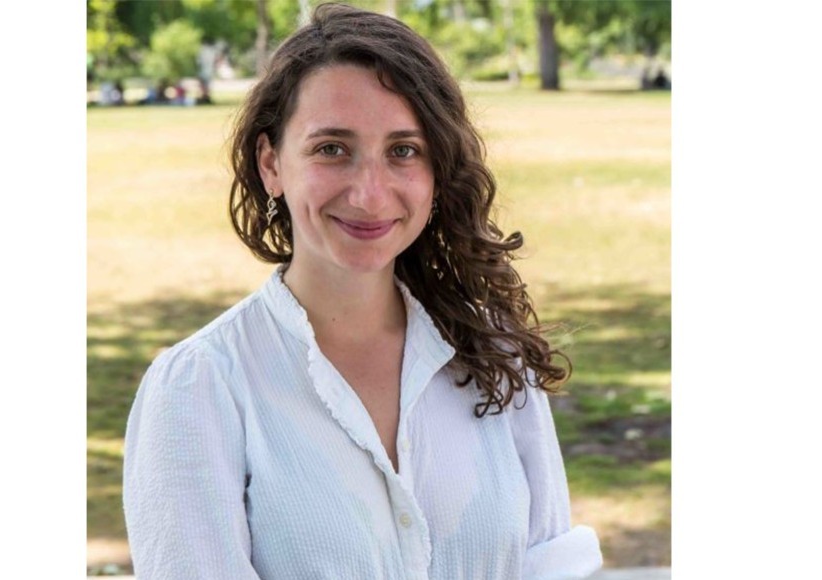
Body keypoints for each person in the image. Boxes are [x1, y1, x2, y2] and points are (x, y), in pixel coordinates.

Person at [122, 3, 603, 578]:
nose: (370, 195)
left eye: (403, 151)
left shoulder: (495, 355)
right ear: (271, 163)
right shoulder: (200, 388)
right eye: (332, 148)